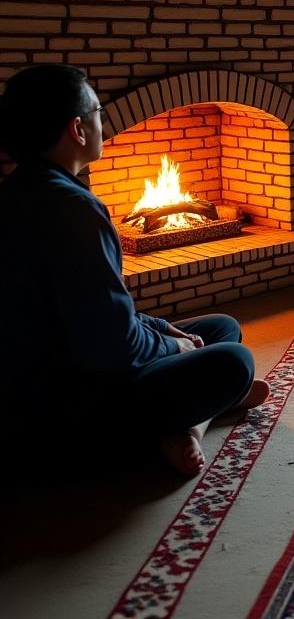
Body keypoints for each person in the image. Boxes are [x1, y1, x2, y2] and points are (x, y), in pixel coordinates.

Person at [0, 64, 271, 478]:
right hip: (70, 403)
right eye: (98, 113)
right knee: (233, 360)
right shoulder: (74, 210)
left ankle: (188, 425)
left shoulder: (19, 191)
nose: (102, 124)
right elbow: (112, 346)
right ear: (77, 128)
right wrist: (172, 347)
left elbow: (98, 312)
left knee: (219, 326)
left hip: (47, 378)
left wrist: (164, 329)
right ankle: (184, 425)